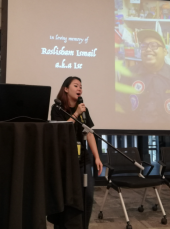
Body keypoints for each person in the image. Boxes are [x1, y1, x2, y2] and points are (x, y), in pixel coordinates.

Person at [51, 76, 103, 229]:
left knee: (87, 196)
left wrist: (97, 157)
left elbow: (89, 133)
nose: (80, 88)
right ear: (66, 89)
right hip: (65, 160)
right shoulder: (58, 108)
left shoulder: (83, 109)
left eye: (81, 86)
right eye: (76, 85)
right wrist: (76, 114)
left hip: (82, 159)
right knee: (67, 198)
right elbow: (61, 129)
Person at [117, 29, 170, 125]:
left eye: (154, 45)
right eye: (144, 46)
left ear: (165, 51)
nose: (148, 49)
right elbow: (119, 112)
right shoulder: (128, 75)